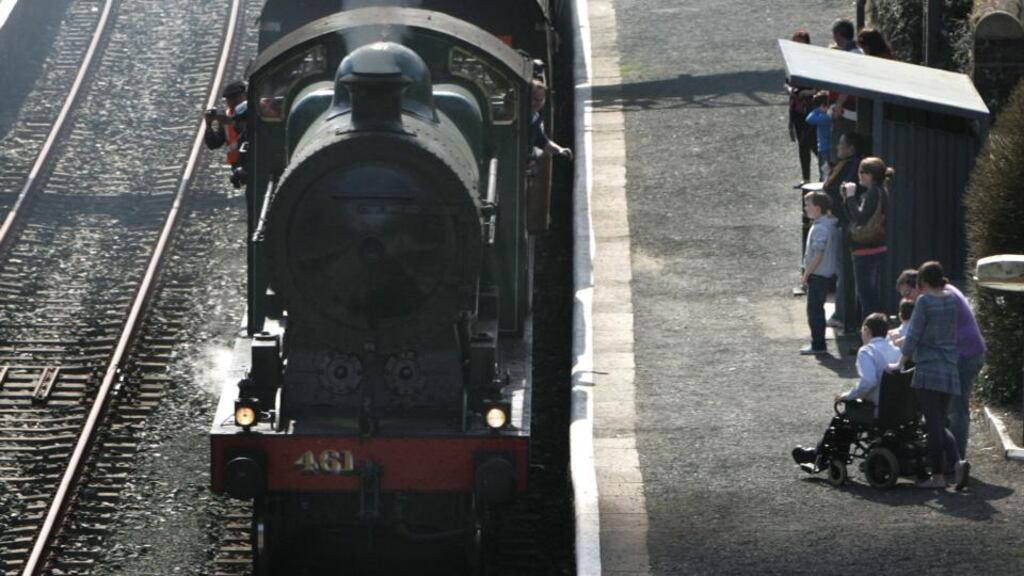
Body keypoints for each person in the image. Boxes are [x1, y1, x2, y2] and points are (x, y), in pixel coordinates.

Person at [889, 261, 969, 490]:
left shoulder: (925, 301)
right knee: (940, 422)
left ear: (922, 282)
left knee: (933, 426)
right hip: (949, 369)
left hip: (929, 370)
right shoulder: (951, 300)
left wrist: (899, 362)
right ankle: (958, 463)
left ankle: (938, 476)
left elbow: (913, 335)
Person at [895, 268, 986, 460]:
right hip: (971, 350)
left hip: (964, 354)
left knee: (954, 409)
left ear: (920, 285)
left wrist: (900, 359)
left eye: (908, 293)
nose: (908, 300)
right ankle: (951, 458)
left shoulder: (930, 301)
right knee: (951, 408)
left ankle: (955, 461)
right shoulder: (947, 292)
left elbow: (919, 335)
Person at [792, 313, 901, 466]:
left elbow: (868, 381)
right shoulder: (897, 351)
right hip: (898, 409)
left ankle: (821, 456)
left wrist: (847, 396)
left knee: (842, 418)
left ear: (867, 331)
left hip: (877, 409)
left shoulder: (867, 351)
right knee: (849, 414)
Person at [841, 157, 890, 324]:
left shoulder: (873, 192)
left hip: (866, 251)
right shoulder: (879, 191)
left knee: (866, 297)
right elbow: (854, 218)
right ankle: (870, 336)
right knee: (869, 295)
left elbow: (860, 219)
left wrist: (850, 197)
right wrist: (847, 199)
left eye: (862, 172)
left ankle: (872, 337)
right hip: (874, 249)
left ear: (871, 175)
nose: (859, 175)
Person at [822, 132, 863, 330]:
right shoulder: (847, 165)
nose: (838, 148)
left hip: (843, 222)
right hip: (841, 221)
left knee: (843, 270)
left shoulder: (850, 166)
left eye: (841, 144)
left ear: (851, 148)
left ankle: (842, 313)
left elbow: (835, 190)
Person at [800, 192, 839, 355]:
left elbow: (818, 254)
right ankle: (818, 343)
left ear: (817, 207)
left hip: (818, 275)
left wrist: (806, 274)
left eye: (808, 205)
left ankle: (818, 344)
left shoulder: (820, 228)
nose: (805, 208)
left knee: (814, 311)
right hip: (825, 274)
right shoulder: (830, 224)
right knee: (817, 310)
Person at [204, 80, 249, 188]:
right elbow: (214, 144)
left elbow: (242, 128)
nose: (232, 102)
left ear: (245, 95)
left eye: (235, 98)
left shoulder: (250, 110)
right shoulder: (226, 115)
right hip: (238, 164)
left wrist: (227, 120)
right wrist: (209, 125)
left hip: (251, 159)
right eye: (229, 99)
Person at [786, 30, 816, 187]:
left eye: (800, 42)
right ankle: (806, 178)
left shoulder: (812, 60)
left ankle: (826, 172)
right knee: (802, 144)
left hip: (809, 107)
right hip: (796, 108)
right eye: (794, 42)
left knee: (811, 142)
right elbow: (787, 82)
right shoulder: (791, 61)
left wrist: (807, 92)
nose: (796, 45)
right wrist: (790, 90)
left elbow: (819, 86)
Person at [530, 80, 572, 162]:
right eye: (535, 99)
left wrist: (560, 150)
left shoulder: (535, 118)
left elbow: (541, 140)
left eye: (541, 100)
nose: (538, 103)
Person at [805, 92, 831, 181]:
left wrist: (818, 110)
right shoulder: (829, 116)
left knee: (824, 172)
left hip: (823, 149)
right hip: (829, 148)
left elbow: (809, 119)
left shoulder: (823, 118)